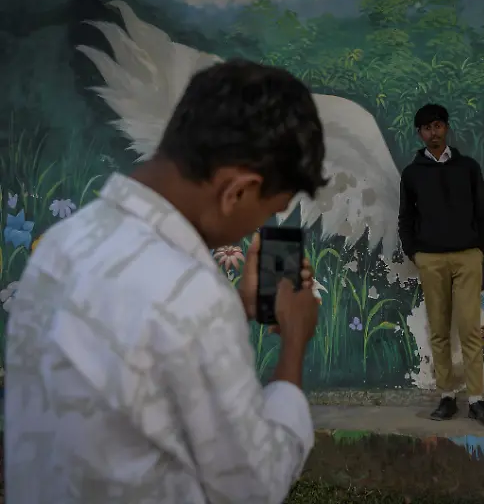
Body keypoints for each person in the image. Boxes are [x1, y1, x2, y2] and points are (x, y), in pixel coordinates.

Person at [4, 60, 328, 503]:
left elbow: (142, 368)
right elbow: (255, 486)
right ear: (237, 192)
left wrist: (238, 306)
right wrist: (293, 343)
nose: (268, 221)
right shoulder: (195, 300)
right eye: (273, 207)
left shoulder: (60, 246)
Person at [397, 103, 484, 427]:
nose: (433, 133)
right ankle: (446, 397)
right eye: (427, 128)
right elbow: (406, 219)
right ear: (420, 133)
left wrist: (480, 249)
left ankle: (477, 401)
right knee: (439, 330)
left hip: (467, 256)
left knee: (470, 329)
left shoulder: (468, 168)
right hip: (431, 260)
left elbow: (483, 212)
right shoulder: (412, 174)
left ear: (446, 128)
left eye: (438, 126)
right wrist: (416, 253)